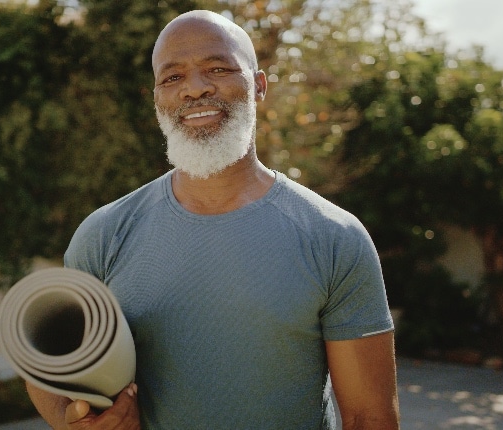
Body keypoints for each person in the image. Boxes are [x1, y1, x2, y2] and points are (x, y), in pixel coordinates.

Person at [26, 9, 400, 430]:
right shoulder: (103, 235)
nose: (195, 89)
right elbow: (47, 365)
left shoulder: (334, 237)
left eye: (217, 69)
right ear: (157, 99)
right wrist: (76, 420)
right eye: (172, 77)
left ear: (258, 86)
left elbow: (369, 418)